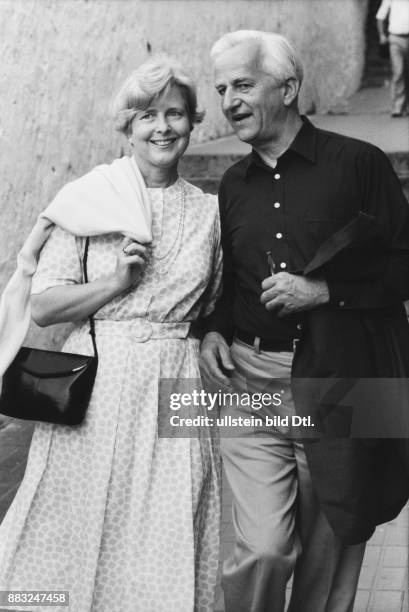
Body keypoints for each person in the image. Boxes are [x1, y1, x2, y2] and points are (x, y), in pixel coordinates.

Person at [0, 55, 222, 612]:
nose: (163, 127)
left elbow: (214, 306)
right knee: (71, 522)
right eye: (148, 115)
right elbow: (46, 308)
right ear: (127, 127)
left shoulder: (211, 214)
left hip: (176, 380)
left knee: (173, 521)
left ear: (193, 123)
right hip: (97, 387)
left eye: (175, 114)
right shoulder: (88, 199)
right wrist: (117, 279)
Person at [200, 30, 409, 612]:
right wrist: (213, 329)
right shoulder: (232, 185)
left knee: (331, 538)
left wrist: (324, 290)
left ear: (289, 87)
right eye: (222, 89)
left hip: (339, 376)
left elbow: (403, 264)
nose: (229, 101)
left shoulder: (359, 164)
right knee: (262, 549)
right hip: (252, 384)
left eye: (243, 84)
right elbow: (227, 282)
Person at [377, 0, 409, 117]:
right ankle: (398, 107)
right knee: (398, 71)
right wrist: (382, 35)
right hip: (395, 39)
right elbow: (380, 17)